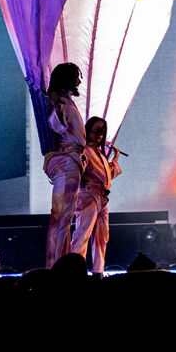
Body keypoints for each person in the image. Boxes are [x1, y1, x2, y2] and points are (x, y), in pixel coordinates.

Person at [44, 62, 85, 267]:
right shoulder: (58, 101)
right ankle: (56, 267)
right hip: (67, 161)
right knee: (61, 218)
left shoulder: (66, 101)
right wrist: (57, 107)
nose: (79, 81)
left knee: (64, 218)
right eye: (76, 76)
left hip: (72, 161)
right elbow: (56, 125)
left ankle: (60, 264)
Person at [70, 116, 122, 273]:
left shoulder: (98, 153)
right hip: (89, 195)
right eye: (97, 130)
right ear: (89, 130)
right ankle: (74, 272)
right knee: (82, 235)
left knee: (102, 237)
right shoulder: (84, 150)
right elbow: (78, 170)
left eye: (103, 131)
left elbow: (106, 176)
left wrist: (114, 159)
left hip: (102, 197)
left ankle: (98, 271)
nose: (100, 134)